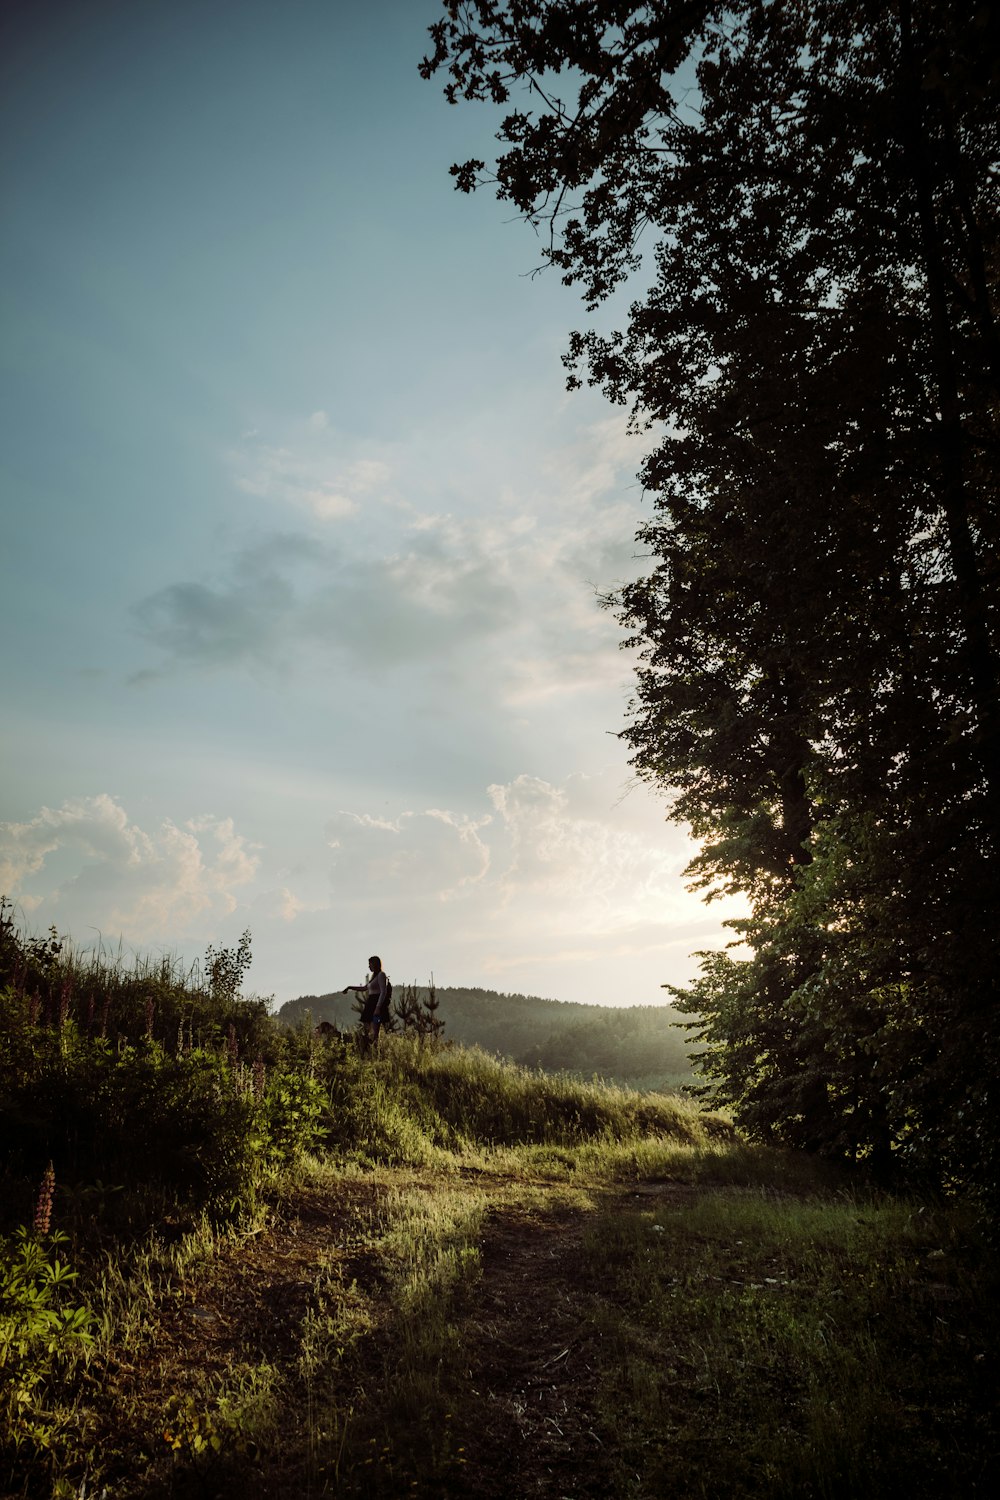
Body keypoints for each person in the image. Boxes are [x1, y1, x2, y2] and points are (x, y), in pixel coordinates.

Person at [343, 956, 390, 1048]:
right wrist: (349, 987)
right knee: (367, 1028)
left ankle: (376, 1051)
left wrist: (378, 1007)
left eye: (370, 964)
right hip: (370, 1004)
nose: (369, 966)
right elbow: (365, 988)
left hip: (376, 1005)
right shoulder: (374, 977)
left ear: (375, 964)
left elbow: (383, 991)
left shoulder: (381, 975)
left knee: (375, 1030)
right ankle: (368, 1048)